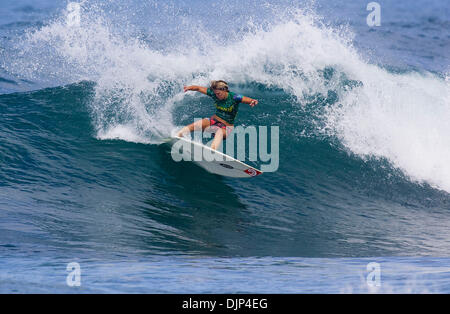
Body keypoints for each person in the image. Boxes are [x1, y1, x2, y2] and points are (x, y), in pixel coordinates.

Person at [177, 80, 258, 150]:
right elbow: (198, 88)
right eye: (215, 93)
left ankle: (211, 151)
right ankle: (177, 136)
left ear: (225, 90)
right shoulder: (214, 94)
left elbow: (248, 99)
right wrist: (189, 87)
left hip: (226, 128)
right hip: (213, 122)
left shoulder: (234, 97)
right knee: (197, 124)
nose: (217, 95)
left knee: (219, 132)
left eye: (218, 93)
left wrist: (252, 101)